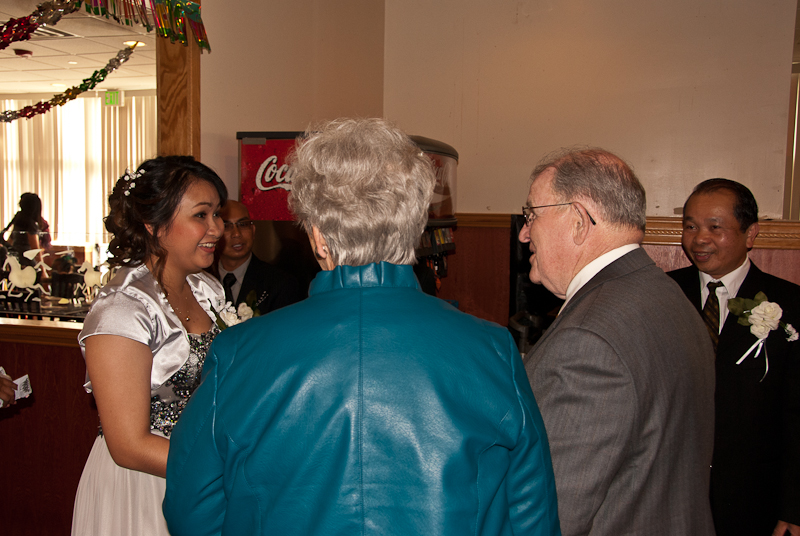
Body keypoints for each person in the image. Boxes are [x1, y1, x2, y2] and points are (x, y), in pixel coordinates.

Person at [164, 118, 561, 536]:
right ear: (414, 230)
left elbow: (192, 512)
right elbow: (530, 515)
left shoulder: (239, 352)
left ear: (318, 238)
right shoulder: (492, 349)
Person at [519, 148, 716, 536]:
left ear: (578, 221)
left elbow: (553, 514)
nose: (525, 233)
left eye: (532, 215)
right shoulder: (666, 293)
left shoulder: (588, 340)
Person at [71, 156, 228, 536]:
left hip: (201, 473)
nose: (217, 228)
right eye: (201, 215)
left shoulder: (207, 290)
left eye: (217, 214)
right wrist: (227, 466)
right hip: (144, 483)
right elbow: (129, 445)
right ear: (153, 225)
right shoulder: (123, 310)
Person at [668, 179, 800, 536]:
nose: (699, 239)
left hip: (753, 498)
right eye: (690, 226)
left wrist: (794, 507)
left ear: (750, 233)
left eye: (715, 227)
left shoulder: (790, 305)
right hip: (671, 491)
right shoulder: (662, 294)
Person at [215, 200, 302, 313]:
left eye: (243, 224)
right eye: (226, 226)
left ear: (253, 230)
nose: (236, 234)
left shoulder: (280, 284)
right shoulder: (200, 281)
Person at [1, 192, 51, 267]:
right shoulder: (31, 224)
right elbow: (35, 250)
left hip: (15, 260)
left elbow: (11, 240)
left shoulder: (19, 220)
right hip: (27, 261)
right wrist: (43, 269)